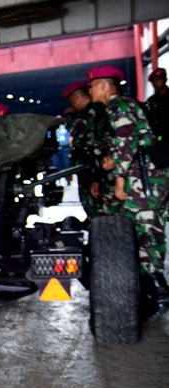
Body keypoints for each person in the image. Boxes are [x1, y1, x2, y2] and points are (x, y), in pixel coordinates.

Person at [87, 64, 169, 321]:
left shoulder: (118, 106)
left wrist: (120, 179)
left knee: (143, 234)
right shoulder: (127, 104)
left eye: (91, 86)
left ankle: (159, 294)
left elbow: (126, 140)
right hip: (153, 177)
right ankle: (156, 291)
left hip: (142, 180)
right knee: (153, 233)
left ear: (103, 85)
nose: (90, 91)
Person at [62, 81, 107, 218]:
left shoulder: (89, 113)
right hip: (94, 167)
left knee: (95, 207)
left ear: (76, 98)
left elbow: (76, 135)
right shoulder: (96, 110)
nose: (73, 106)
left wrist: (70, 117)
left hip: (95, 168)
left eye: (72, 102)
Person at [145, 67, 168, 145]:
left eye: (158, 80)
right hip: (158, 140)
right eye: (153, 81)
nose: (155, 83)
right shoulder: (151, 100)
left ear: (165, 79)